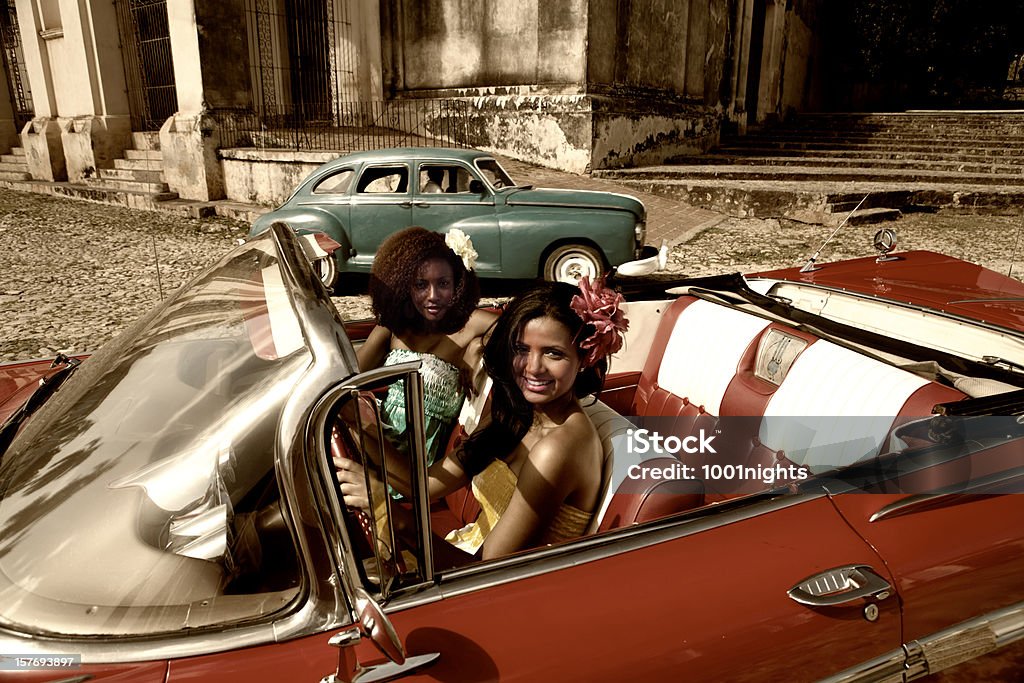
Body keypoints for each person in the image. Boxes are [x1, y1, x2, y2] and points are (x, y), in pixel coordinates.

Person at [338, 276, 629, 561]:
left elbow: (486, 572)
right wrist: (362, 427)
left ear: (586, 359)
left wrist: (389, 514)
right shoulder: (518, 411)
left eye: (553, 353)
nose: (533, 367)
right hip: (455, 554)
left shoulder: (559, 448)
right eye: (521, 349)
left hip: (482, 589)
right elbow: (426, 485)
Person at [357, 226, 495, 467]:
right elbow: (345, 382)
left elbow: (517, 327)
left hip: (414, 468)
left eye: (443, 283)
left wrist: (478, 346)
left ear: (458, 285)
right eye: (421, 285)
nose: (433, 295)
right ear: (405, 287)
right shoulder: (394, 327)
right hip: (375, 445)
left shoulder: (470, 326)